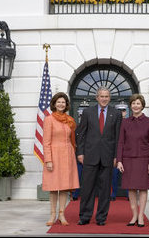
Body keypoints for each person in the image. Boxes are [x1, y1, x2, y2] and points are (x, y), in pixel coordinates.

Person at [76, 86, 122, 226]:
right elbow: (81, 135)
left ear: (110, 98)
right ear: (97, 97)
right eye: (101, 96)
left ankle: (101, 218)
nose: (104, 99)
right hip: (89, 156)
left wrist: (116, 156)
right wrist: (80, 153)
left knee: (105, 190)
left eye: (106, 96)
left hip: (108, 157)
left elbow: (118, 137)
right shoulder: (87, 112)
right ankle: (84, 216)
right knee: (87, 188)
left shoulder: (116, 113)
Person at [116, 94, 149, 227]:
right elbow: (121, 142)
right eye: (133, 103)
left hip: (144, 160)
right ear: (130, 105)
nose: (135, 106)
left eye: (138, 103)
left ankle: (141, 216)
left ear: (142, 105)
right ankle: (133, 215)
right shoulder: (125, 122)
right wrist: (120, 160)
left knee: (142, 188)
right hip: (127, 159)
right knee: (131, 189)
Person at [42, 92, 79, 226]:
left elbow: (72, 139)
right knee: (54, 187)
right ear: (54, 104)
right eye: (59, 102)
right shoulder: (49, 119)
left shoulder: (69, 120)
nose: (61, 104)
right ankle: (52, 215)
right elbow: (46, 142)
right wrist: (48, 160)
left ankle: (62, 215)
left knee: (64, 187)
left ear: (66, 104)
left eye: (63, 102)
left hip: (68, 155)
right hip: (54, 155)